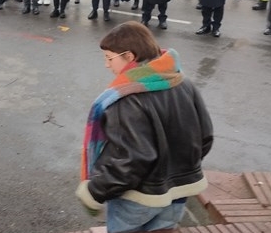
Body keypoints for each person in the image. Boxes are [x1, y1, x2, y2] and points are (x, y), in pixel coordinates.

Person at [77, 21, 213, 233]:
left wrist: (94, 192)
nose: (107, 65)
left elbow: (130, 161)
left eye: (109, 58)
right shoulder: (183, 82)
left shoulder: (125, 100)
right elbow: (205, 137)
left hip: (138, 198)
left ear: (130, 57)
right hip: (179, 193)